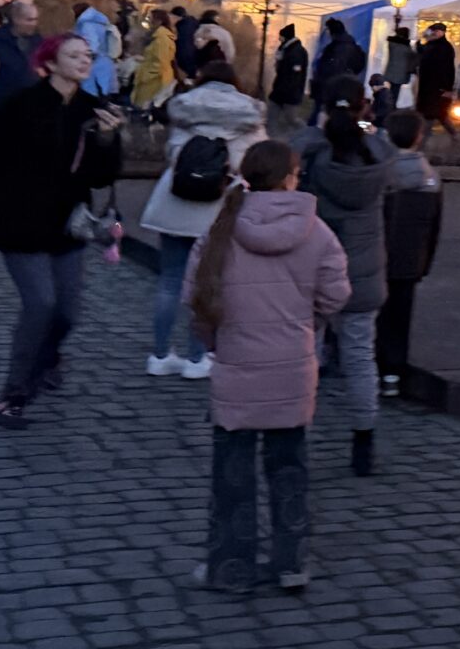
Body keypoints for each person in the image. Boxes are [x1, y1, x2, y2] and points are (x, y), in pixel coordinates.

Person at [0, 35, 125, 428]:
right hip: (19, 221)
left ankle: (48, 356)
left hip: (68, 225)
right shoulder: (21, 105)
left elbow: (102, 177)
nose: (84, 61)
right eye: (73, 55)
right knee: (40, 304)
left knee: (67, 313)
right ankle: (14, 394)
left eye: (87, 55)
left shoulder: (93, 110)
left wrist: (107, 139)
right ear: (49, 64)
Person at [184, 140, 350, 594]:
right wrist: (307, 322)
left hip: (237, 365)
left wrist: (215, 342)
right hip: (293, 368)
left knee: (232, 477)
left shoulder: (221, 230)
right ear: (292, 178)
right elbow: (336, 294)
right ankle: (290, 563)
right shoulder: (318, 233)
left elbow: (197, 299)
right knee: (290, 470)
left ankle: (230, 567)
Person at [141, 62, 266, 378]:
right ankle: (197, 359)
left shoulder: (185, 107)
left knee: (170, 281)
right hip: (219, 206)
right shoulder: (249, 113)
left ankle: (159, 355)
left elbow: (172, 153)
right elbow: (254, 161)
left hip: (176, 200)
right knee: (207, 284)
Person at [295, 76, 391, 476]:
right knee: (360, 357)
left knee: (307, 356)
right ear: (362, 107)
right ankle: (363, 439)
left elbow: (296, 146)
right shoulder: (376, 154)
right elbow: (376, 137)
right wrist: (364, 123)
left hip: (315, 270)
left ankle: (298, 436)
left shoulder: (314, 153)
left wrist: (323, 125)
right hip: (363, 273)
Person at [377, 110, 442, 397]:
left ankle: (373, 368)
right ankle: (393, 372)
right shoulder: (431, 178)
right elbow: (435, 226)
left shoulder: (380, 174)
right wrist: (425, 261)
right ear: (419, 136)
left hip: (378, 256)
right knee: (401, 317)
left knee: (376, 315)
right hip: (411, 258)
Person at [0, 0, 45, 110]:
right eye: (29, 20)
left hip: (30, 104)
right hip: (1, 104)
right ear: (16, 19)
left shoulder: (38, 40)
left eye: (36, 19)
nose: (34, 24)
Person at [73, 2, 122, 100]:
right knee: (103, 95)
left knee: (91, 97)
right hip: (105, 63)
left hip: (94, 67)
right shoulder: (99, 22)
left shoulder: (86, 24)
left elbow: (92, 45)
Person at [132, 9, 178, 112]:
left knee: (145, 108)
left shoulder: (161, 38)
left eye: (150, 18)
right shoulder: (160, 36)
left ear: (158, 21)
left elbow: (160, 61)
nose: (148, 21)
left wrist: (145, 76)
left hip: (155, 80)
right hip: (155, 77)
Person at [268, 25, 310, 130]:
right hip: (281, 90)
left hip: (289, 92)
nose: (279, 39)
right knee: (272, 115)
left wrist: (286, 90)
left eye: (281, 36)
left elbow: (295, 76)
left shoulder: (296, 52)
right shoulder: (286, 49)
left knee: (291, 118)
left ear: (286, 37)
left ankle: (306, 132)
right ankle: (271, 135)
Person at [416, 23, 457, 125]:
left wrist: (447, 87)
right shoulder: (431, 44)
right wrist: (422, 41)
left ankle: (426, 131)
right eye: (433, 31)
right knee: (433, 112)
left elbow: (448, 68)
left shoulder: (445, 47)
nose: (434, 33)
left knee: (435, 112)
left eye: (437, 31)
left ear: (442, 32)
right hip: (428, 82)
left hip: (437, 84)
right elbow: (423, 53)